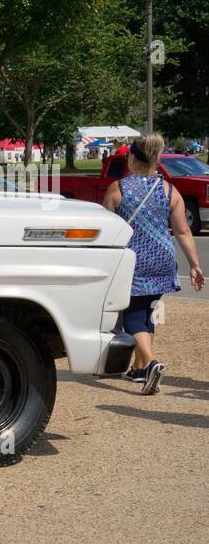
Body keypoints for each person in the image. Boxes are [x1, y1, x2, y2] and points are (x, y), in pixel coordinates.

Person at [102, 132, 204, 394]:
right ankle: (138, 369)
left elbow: (107, 228)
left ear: (132, 158)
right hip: (162, 259)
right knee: (148, 313)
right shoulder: (170, 190)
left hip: (132, 261)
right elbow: (183, 232)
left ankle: (150, 363)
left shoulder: (118, 189)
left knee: (132, 318)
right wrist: (194, 265)